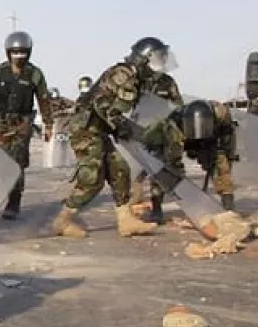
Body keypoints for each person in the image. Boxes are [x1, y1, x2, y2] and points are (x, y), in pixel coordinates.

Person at [50, 38, 170, 239]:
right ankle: (62, 220)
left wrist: (126, 129)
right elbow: (104, 106)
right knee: (92, 180)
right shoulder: (125, 76)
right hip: (86, 130)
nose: (158, 65)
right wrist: (128, 129)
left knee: (120, 170)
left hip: (98, 129)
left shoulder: (130, 75)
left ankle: (126, 220)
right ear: (144, 59)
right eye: (156, 59)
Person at [0, 31, 55, 219]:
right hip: (0, 123)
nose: (19, 56)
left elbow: (43, 99)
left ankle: (13, 203)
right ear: (8, 52)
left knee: (17, 163)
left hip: (21, 124)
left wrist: (48, 125)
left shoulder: (34, 74)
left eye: (23, 52)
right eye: (15, 52)